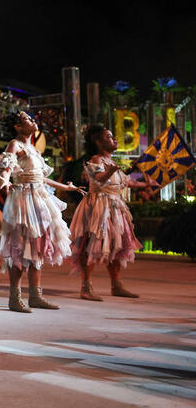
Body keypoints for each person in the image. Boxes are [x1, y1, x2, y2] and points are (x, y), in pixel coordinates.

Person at [0, 111, 80, 312]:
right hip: (23, 199)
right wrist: (5, 178)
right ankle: (15, 297)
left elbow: (40, 177)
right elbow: (8, 166)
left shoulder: (33, 149)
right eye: (27, 119)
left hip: (39, 198)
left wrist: (66, 187)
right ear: (18, 127)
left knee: (37, 246)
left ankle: (36, 295)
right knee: (20, 248)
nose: (33, 121)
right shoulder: (16, 145)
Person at [70, 125, 156, 300]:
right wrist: (110, 171)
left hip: (115, 207)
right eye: (109, 137)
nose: (114, 139)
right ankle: (86, 287)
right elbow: (98, 179)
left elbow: (126, 182)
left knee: (116, 246)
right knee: (91, 245)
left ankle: (116, 285)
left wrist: (148, 184)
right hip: (97, 207)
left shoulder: (111, 161)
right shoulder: (96, 159)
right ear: (98, 142)